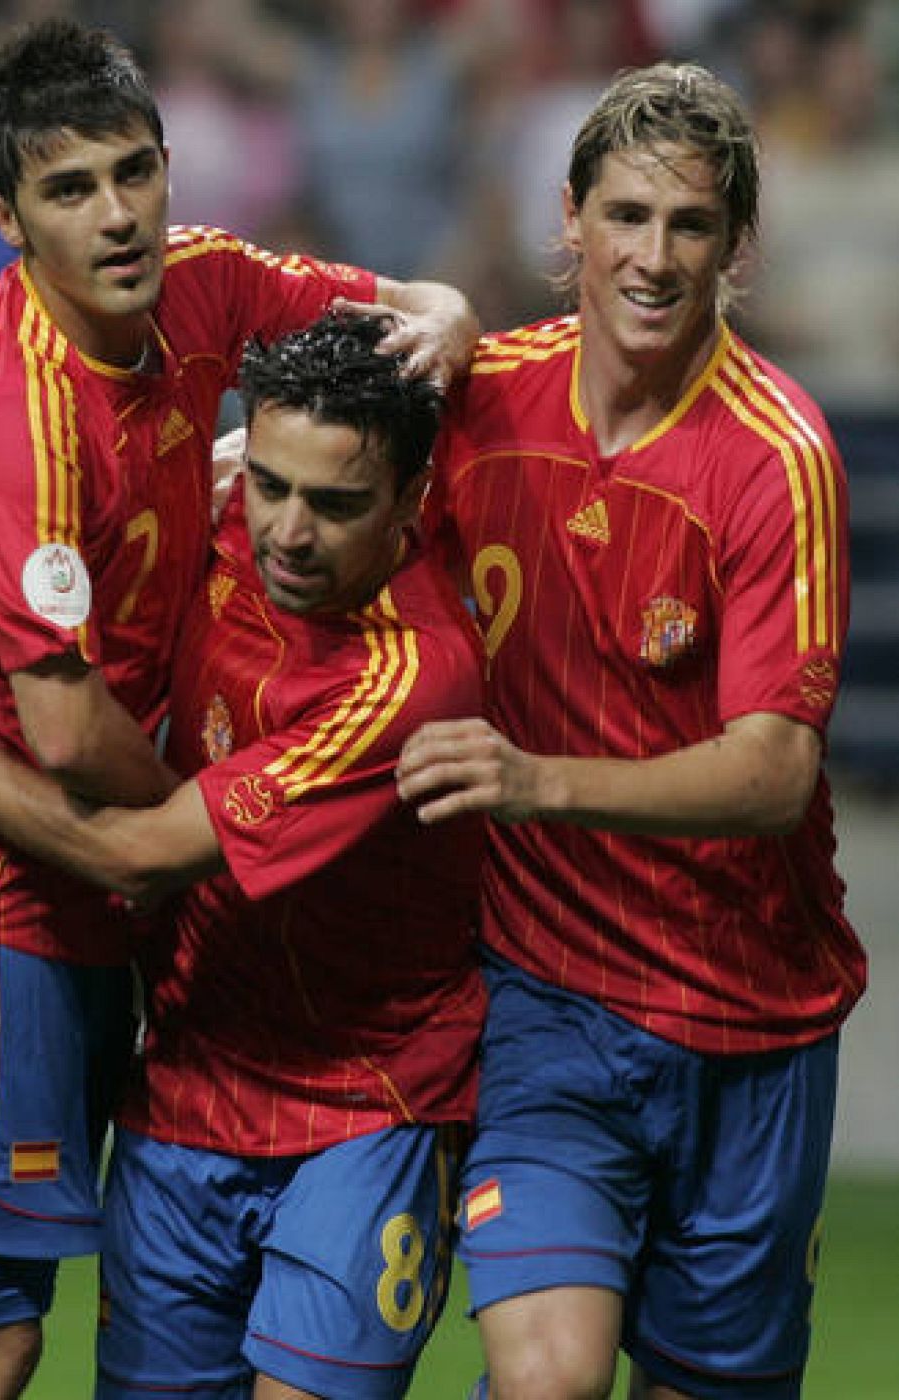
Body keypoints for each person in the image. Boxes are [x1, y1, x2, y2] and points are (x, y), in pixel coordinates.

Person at [0, 15, 479, 1400]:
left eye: (132, 172)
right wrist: (165, 830)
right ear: (2, 216)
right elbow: (61, 734)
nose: (115, 217)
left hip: (73, 919)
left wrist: (449, 310)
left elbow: (418, 308)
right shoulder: (11, 418)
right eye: (69, 189)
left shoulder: (204, 290)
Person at [394, 61, 868, 1400]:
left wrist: (530, 780)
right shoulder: (479, 401)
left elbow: (773, 773)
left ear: (735, 249)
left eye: (688, 226)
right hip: (545, 1004)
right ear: (570, 221)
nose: (650, 258)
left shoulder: (776, 455)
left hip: (748, 1018)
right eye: (624, 216)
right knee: (546, 1380)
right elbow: (343, 508)